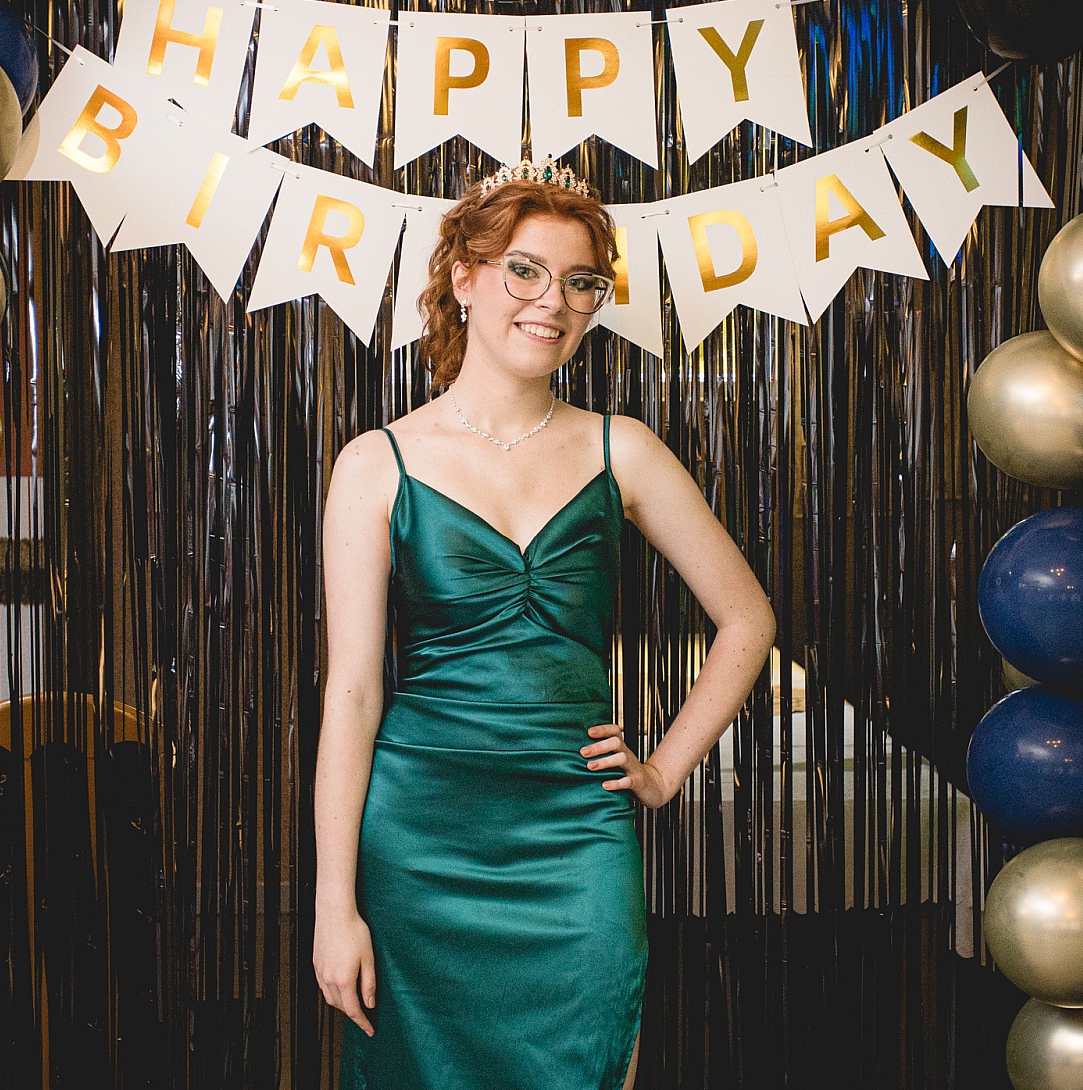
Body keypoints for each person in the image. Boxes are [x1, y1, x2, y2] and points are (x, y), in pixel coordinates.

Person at [313, 157, 776, 1090]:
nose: (551, 302)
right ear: (464, 278)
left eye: (580, 282)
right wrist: (334, 904)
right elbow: (354, 694)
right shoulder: (375, 463)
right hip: (420, 836)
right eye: (524, 270)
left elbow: (747, 619)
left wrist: (662, 771)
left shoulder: (622, 448)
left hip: (575, 832)